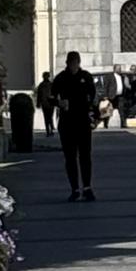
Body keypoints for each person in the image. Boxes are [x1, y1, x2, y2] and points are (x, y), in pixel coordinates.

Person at [51, 52, 98, 201]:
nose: (73, 66)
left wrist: (95, 117)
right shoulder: (61, 78)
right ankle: (75, 189)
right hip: (67, 121)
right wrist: (59, 103)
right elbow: (51, 97)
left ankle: (87, 187)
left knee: (85, 155)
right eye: (71, 63)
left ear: (79, 63)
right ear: (67, 63)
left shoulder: (86, 77)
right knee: (70, 157)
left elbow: (93, 97)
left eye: (75, 63)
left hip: (83, 121)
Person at [35, 71, 56, 137]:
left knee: (48, 117)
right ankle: (49, 130)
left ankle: (50, 130)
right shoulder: (48, 85)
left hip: (48, 103)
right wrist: (38, 103)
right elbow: (39, 95)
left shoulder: (48, 85)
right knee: (48, 117)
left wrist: (38, 103)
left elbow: (54, 94)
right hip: (47, 103)